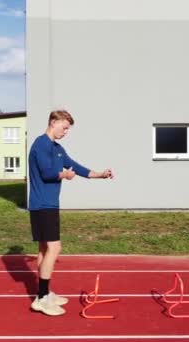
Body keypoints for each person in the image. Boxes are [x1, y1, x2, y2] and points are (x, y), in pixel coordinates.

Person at [28, 109, 113, 316]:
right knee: (55, 248)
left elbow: (76, 167)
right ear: (53, 122)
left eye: (68, 129)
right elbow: (47, 173)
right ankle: (41, 298)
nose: (66, 132)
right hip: (42, 205)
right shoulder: (41, 144)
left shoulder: (57, 148)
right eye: (64, 127)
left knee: (44, 250)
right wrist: (64, 175)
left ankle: (45, 292)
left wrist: (100, 174)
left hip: (48, 205)